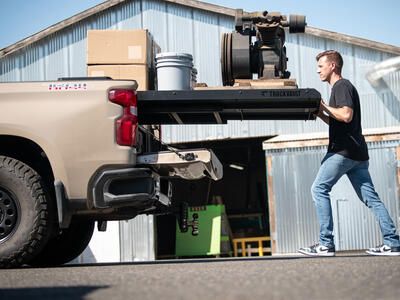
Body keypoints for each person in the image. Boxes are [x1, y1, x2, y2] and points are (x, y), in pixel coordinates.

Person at [298, 50, 400, 257]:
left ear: (332, 66)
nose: (318, 70)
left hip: (343, 153)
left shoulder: (341, 86)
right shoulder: (341, 88)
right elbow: (340, 121)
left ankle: (326, 244)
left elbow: (346, 115)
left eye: (320, 66)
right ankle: (393, 243)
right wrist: (321, 113)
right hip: (358, 154)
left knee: (318, 189)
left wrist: (324, 105)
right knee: (371, 199)